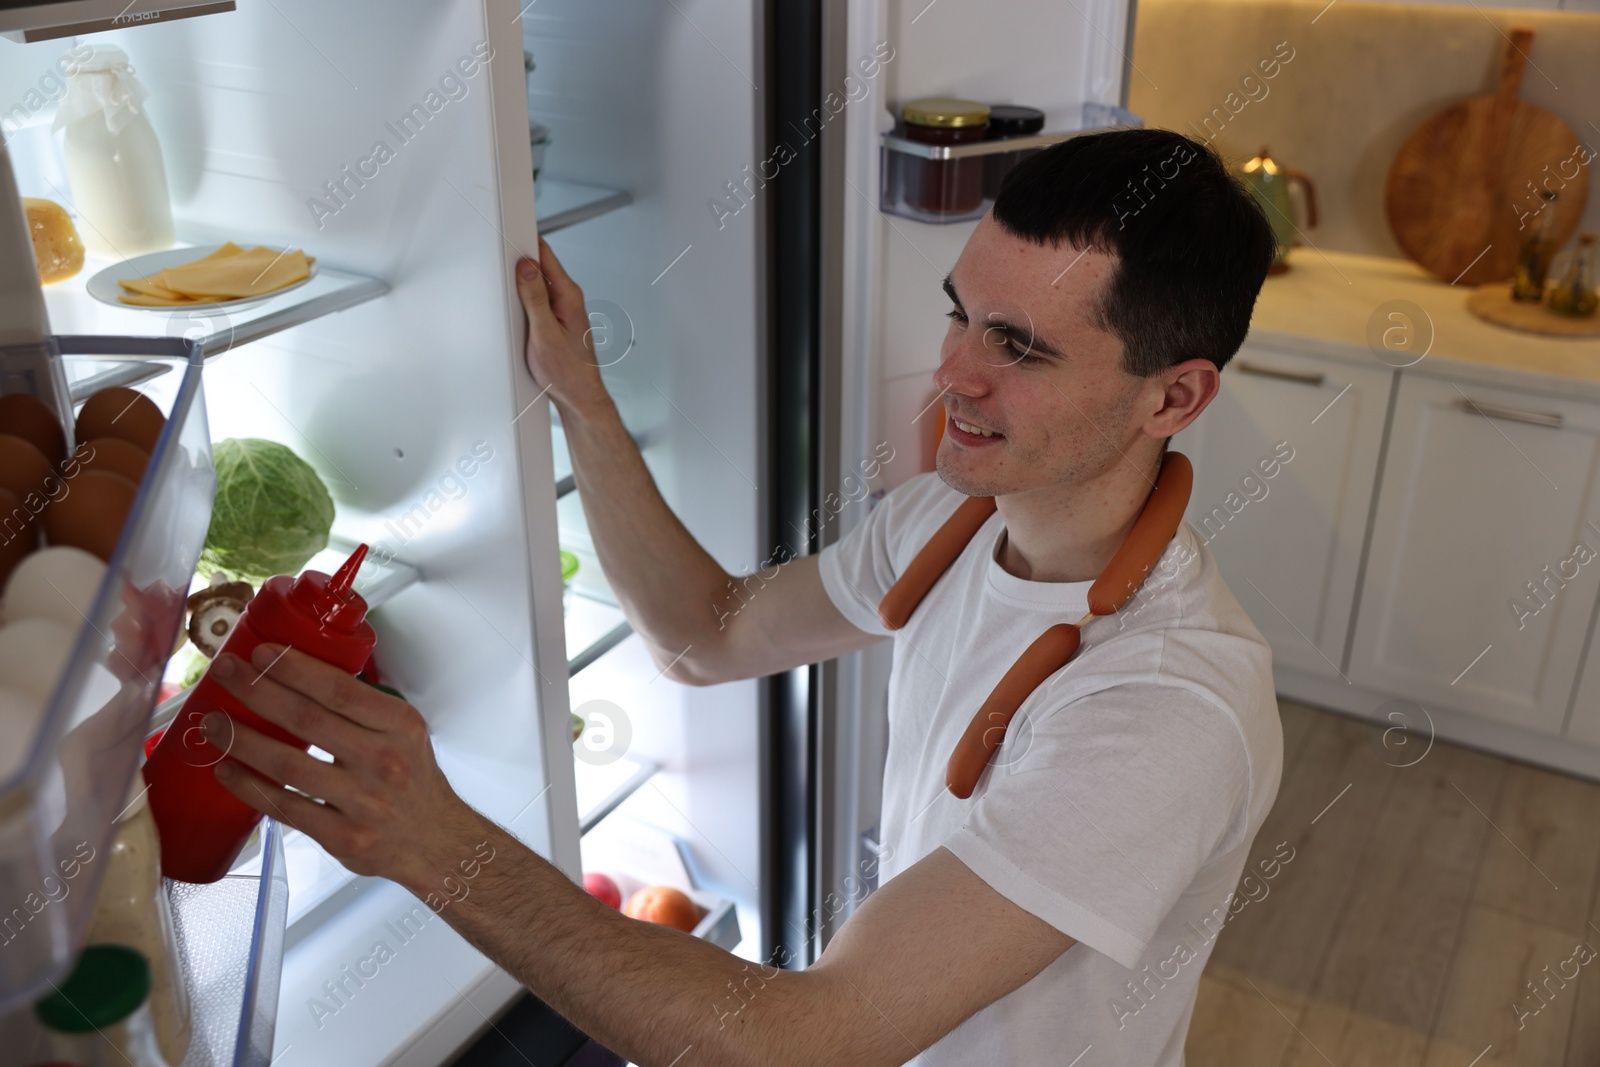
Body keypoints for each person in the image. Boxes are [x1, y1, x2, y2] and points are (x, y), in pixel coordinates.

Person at [202, 128, 1284, 1066]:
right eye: (961, 316)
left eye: (1019, 347)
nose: (953, 371)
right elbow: (701, 633)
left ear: (1173, 394)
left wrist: (437, 842)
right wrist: (582, 397)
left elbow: (807, 1040)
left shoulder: (1166, 707)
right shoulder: (952, 525)